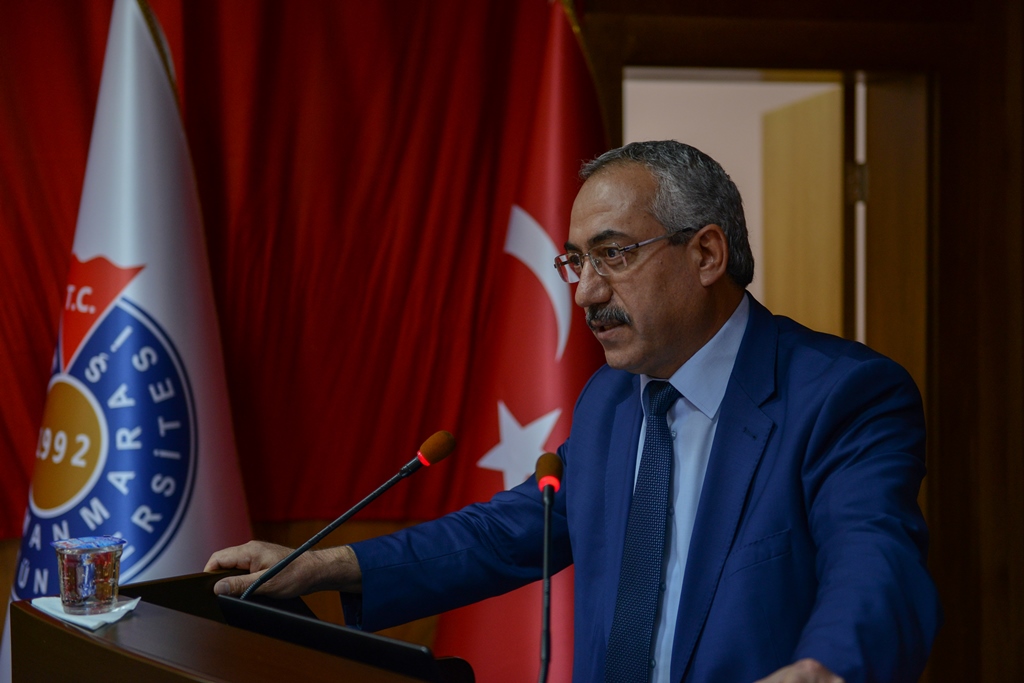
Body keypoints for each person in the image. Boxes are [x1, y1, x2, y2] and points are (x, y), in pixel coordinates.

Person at [206, 141, 941, 683]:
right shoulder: (611, 400)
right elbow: (512, 532)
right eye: (576, 262)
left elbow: (874, 559)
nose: (586, 292)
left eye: (613, 255)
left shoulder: (843, 395)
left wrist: (828, 668)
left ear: (707, 254)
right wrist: (322, 564)